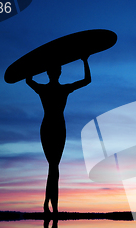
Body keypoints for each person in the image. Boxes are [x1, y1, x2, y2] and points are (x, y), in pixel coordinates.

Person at [26, 57, 91, 214]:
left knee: (53, 167)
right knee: (54, 167)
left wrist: (35, 66)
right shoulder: (63, 89)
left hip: (53, 127)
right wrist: (84, 60)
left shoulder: (45, 89)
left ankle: (49, 204)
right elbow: (87, 80)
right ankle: (51, 206)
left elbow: (28, 79)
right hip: (54, 127)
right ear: (57, 73)